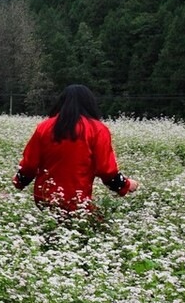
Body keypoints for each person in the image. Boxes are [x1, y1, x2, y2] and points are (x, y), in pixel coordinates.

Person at [13, 84, 138, 212]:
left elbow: (29, 164)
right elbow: (106, 170)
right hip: (77, 202)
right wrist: (125, 185)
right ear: (90, 104)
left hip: (45, 198)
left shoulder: (44, 127)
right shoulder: (97, 129)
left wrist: (18, 182)